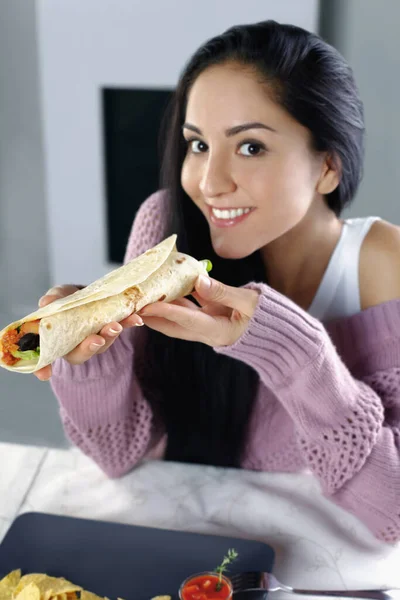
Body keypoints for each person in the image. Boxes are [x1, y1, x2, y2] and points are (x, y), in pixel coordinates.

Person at [35, 20, 400, 543]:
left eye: (250, 147)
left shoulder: (385, 265)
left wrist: (294, 352)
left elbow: (394, 514)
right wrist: (93, 360)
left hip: (319, 561)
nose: (209, 183)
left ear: (328, 167)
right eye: (198, 144)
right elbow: (116, 456)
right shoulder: (168, 226)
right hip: (184, 544)